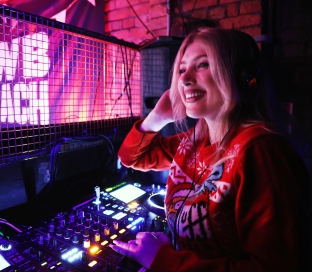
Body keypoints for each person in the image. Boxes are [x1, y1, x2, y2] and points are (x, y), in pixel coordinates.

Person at [110, 27, 311, 271]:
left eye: (202, 65)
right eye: (182, 69)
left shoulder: (261, 151)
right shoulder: (194, 140)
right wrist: (156, 118)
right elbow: (131, 157)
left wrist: (163, 260)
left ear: (241, 76)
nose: (184, 79)